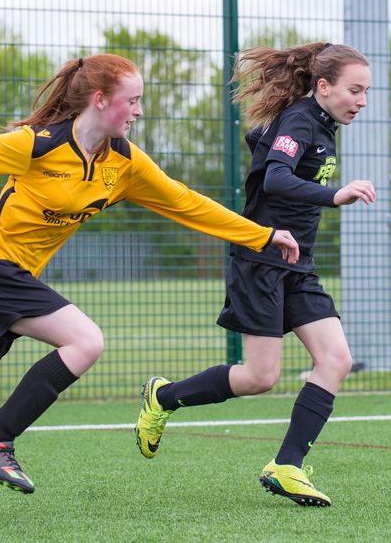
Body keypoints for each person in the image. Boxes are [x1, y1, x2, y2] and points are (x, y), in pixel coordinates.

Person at [0, 53, 301, 522]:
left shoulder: (125, 164)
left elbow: (185, 202)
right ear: (99, 99)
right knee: (86, 340)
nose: (138, 111)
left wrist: (260, 235)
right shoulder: (37, 145)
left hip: (10, 278)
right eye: (131, 101)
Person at [135, 42, 376, 507]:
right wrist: (335, 195)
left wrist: (262, 139)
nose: (361, 101)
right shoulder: (302, 119)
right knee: (259, 376)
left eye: (366, 92)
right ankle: (163, 398)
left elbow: (269, 148)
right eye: (354, 90)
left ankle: (286, 466)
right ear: (323, 86)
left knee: (337, 360)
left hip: (298, 265)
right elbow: (275, 178)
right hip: (261, 261)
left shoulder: (319, 122)